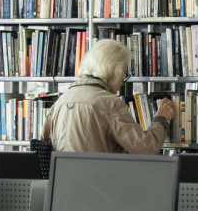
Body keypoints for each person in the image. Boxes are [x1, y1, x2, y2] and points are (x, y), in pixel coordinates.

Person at [40, 38, 175, 154]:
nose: (123, 81)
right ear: (113, 71)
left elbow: (43, 140)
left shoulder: (61, 101)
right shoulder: (110, 103)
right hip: (96, 182)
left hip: (61, 181)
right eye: (123, 73)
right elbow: (146, 147)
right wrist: (161, 119)